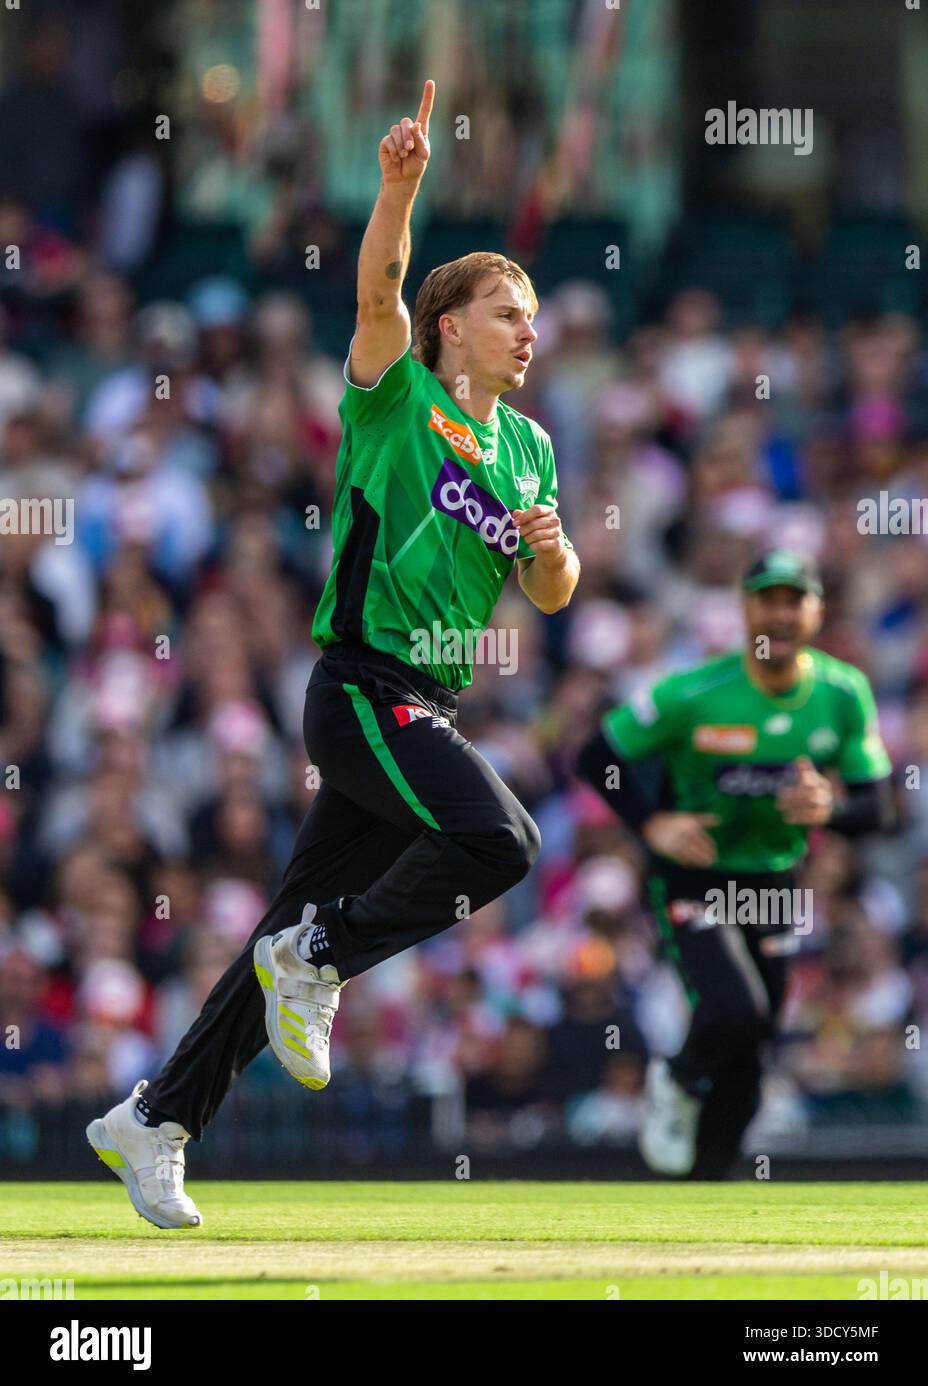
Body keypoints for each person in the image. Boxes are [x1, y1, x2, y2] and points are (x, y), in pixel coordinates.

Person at [86, 79, 581, 1228]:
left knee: (274, 941)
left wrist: (551, 551)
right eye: (509, 311)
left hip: (425, 696)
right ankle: (327, 953)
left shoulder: (531, 451)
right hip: (360, 685)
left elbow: (552, 594)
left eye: (534, 313)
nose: (529, 329)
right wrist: (397, 191)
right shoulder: (398, 394)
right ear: (452, 323)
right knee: (499, 838)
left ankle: (155, 1118)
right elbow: (373, 291)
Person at [576, 549, 895, 1179]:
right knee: (732, 1008)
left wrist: (827, 807)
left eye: (793, 600)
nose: (779, 614)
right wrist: (652, 824)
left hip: (774, 880)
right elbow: (595, 756)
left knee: (755, 1052)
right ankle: (676, 1076)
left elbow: (877, 807)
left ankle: (704, 1193)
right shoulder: (696, 692)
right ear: (745, 609)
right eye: (766, 599)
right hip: (694, 875)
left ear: (816, 610)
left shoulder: (841, 693)